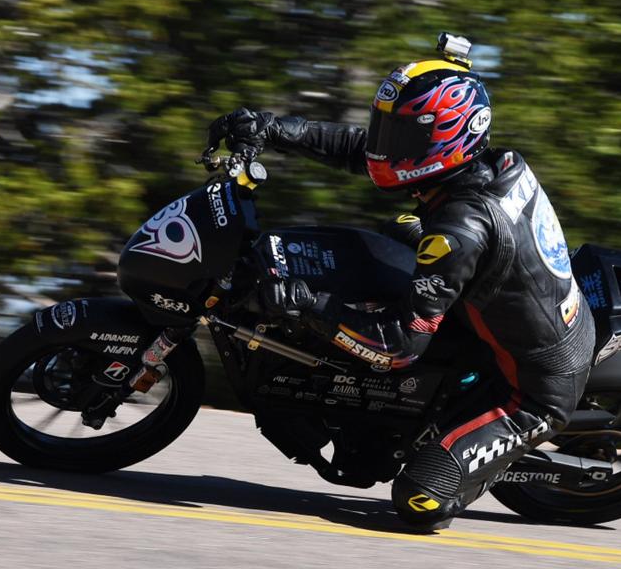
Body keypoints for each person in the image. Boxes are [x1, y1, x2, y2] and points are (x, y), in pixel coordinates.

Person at [206, 39, 596, 530]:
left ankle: (471, 456)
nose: (385, 144)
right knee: (390, 237)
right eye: (385, 127)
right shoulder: (486, 165)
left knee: (417, 502)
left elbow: (397, 347)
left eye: (401, 134)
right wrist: (272, 129)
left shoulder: (461, 229)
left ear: (447, 138)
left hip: (531, 385)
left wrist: (309, 305)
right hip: (496, 303)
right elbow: (362, 150)